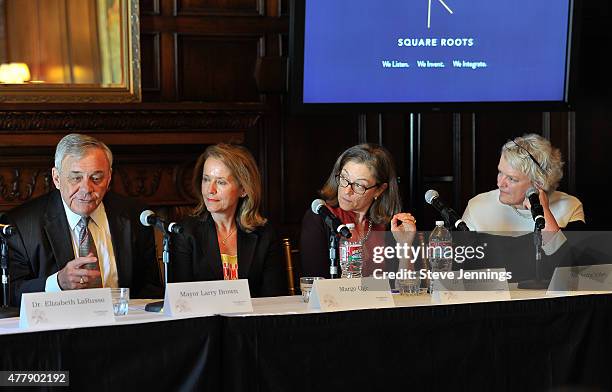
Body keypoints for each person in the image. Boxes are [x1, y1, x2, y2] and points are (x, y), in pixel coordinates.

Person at [1, 133, 162, 306]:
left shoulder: (135, 216)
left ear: (108, 178)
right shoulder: (21, 226)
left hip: (123, 325)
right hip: (58, 329)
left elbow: (150, 287)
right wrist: (58, 283)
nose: (86, 188)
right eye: (76, 178)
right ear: (56, 178)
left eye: (96, 178)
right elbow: (9, 293)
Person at [460, 134, 585, 280]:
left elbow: (571, 273)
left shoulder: (570, 206)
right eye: (500, 172)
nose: (500, 183)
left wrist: (544, 211)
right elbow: (462, 271)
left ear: (538, 183)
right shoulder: (477, 206)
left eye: (512, 178)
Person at [171, 144, 286, 297]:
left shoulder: (265, 234)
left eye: (221, 182)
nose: (210, 190)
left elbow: (274, 300)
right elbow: (182, 302)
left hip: (252, 320)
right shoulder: (185, 232)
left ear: (243, 189)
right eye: (206, 179)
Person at [300, 143, 417, 278]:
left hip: (381, 299)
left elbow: (405, 288)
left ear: (379, 190)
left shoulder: (389, 225)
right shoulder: (320, 217)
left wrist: (405, 245)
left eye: (359, 185)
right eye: (344, 178)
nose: (347, 191)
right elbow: (316, 283)